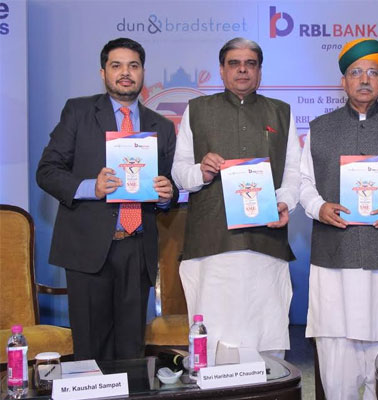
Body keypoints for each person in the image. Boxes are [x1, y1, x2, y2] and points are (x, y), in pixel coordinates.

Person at [300, 38, 378, 399]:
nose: (364, 79)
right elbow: (303, 183)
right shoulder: (319, 128)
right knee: (336, 357)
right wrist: (319, 207)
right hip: (334, 257)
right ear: (343, 81)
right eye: (356, 72)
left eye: (373, 73)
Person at [36, 37, 177, 360]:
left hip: (137, 249)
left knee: (131, 351)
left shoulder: (161, 126)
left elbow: (170, 186)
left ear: (143, 72)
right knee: (90, 349)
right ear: (103, 73)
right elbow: (47, 171)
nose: (125, 72)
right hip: (88, 249)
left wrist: (166, 195)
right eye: (117, 65)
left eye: (133, 65)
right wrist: (92, 187)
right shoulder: (78, 111)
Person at [171, 37, 300, 361]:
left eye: (250, 64)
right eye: (234, 63)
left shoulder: (281, 113)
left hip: (265, 245)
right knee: (215, 339)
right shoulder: (197, 110)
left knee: (266, 337)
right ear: (221, 69)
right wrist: (201, 171)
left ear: (259, 71)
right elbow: (179, 172)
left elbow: (293, 173)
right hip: (212, 246)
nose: (242, 70)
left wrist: (284, 202)